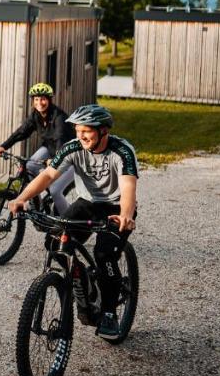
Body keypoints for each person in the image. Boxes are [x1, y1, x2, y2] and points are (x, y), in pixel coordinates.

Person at [8, 103, 138, 340]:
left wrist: (126, 215)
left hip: (116, 207)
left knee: (104, 254)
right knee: (55, 243)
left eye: (86, 131)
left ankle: (109, 312)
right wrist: (21, 198)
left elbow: (128, 186)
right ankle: (85, 282)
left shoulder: (122, 151)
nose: (81, 136)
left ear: (102, 131)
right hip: (87, 202)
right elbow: (47, 175)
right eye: (78, 131)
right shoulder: (73, 148)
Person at [0, 82, 77, 214]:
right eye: (36, 99)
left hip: (68, 156)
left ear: (49, 100)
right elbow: (21, 132)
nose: (39, 102)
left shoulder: (58, 117)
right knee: (30, 165)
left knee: (55, 190)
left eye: (43, 99)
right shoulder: (36, 116)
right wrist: (3, 146)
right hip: (49, 148)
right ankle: (36, 198)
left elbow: (60, 139)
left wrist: (55, 160)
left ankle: (66, 225)